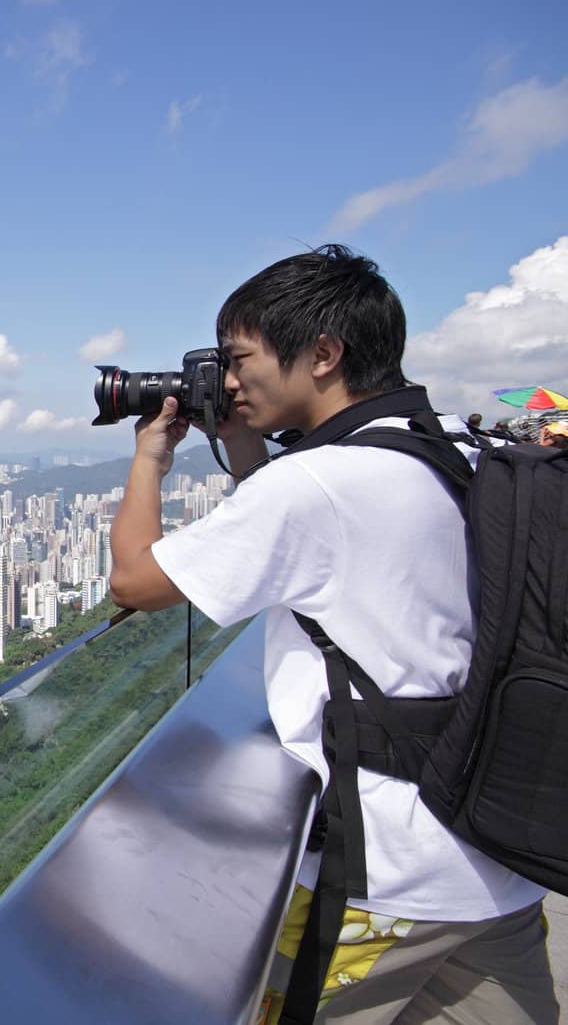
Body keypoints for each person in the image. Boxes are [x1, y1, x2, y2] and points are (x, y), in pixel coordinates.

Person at [107, 245, 556, 1023]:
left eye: (240, 359)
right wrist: (248, 447)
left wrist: (150, 454)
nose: (230, 379)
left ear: (323, 353)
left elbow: (135, 581)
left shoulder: (314, 484)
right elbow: (334, 548)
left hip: (385, 880)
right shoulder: (454, 440)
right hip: (497, 864)